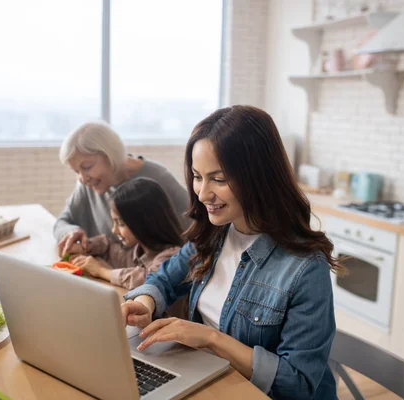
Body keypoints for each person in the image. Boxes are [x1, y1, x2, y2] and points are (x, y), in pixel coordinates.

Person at [121, 105, 343, 399]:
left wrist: (211, 339)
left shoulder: (305, 268)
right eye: (198, 177)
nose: (202, 194)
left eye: (219, 179)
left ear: (259, 177)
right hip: (215, 384)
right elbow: (165, 278)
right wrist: (146, 302)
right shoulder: (214, 234)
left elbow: (298, 384)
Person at [54, 121, 188, 256]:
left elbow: (198, 230)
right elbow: (62, 222)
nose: (83, 178)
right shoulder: (87, 185)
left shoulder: (157, 179)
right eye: (76, 171)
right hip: (103, 273)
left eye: (87, 167)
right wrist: (71, 231)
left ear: (110, 155)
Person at [67, 177, 183, 290]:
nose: (114, 230)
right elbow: (109, 247)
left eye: (121, 224)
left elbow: (147, 279)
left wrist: (101, 271)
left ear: (144, 222)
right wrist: (86, 246)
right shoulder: (137, 250)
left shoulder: (174, 257)